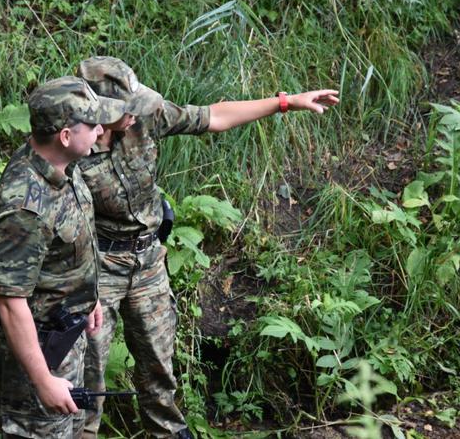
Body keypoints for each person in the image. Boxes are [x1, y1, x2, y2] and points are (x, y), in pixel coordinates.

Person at [76, 56, 340, 438]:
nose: (134, 116)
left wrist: (286, 102)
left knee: (159, 370)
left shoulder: (146, 115)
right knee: (89, 376)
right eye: (124, 111)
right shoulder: (70, 145)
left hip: (147, 261)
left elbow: (213, 117)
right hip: (96, 267)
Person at [0, 76, 126, 438]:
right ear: (64, 135)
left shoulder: (63, 164)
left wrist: (86, 297)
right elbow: (10, 303)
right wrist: (44, 380)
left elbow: (67, 244)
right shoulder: (24, 208)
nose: (100, 133)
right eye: (92, 126)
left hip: (67, 330)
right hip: (40, 351)